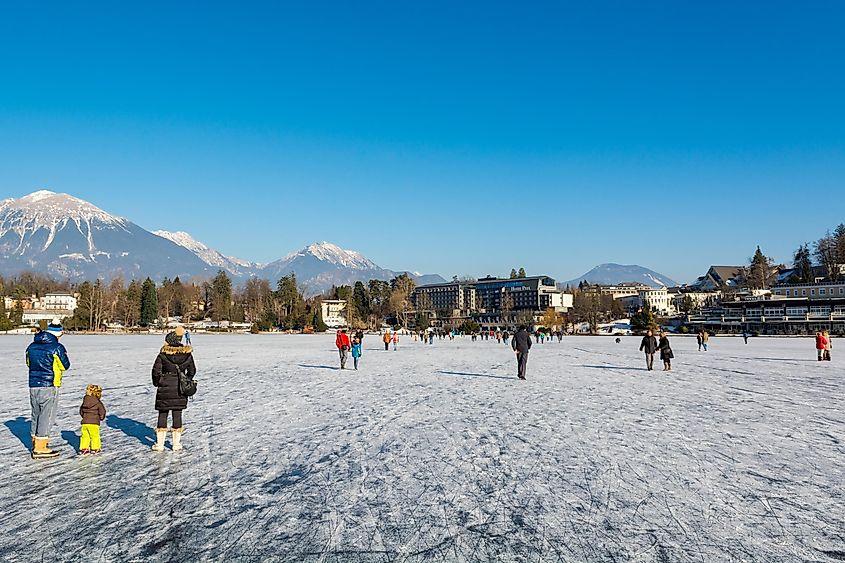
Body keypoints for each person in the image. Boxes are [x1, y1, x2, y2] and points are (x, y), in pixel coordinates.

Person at [26, 320, 70, 459]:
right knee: (47, 415)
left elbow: (28, 363)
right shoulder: (57, 347)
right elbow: (65, 365)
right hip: (49, 384)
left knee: (36, 414)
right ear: (58, 333)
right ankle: (40, 447)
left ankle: (35, 442)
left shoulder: (31, 346)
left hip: (33, 384)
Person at [151, 327, 196, 452]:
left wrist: (158, 382)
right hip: (179, 387)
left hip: (164, 386)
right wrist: (186, 380)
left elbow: (156, 371)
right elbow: (192, 370)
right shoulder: (187, 354)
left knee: (163, 413)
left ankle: (160, 445)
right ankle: (176, 444)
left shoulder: (162, 354)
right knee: (177, 414)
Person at [78, 384, 106, 455]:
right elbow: (102, 411)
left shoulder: (84, 401)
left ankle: (84, 449)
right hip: (94, 423)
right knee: (94, 436)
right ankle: (95, 448)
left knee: (85, 436)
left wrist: (84, 417)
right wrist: (101, 418)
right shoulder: (98, 402)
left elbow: (81, 411)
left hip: (85, 423)